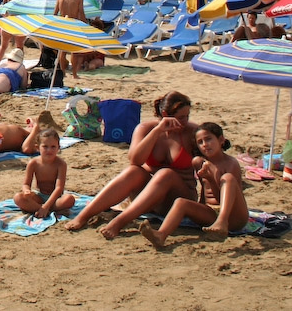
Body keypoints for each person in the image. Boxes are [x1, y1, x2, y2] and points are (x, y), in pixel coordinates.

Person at [64, 91, 199, 236]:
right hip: (147, 197)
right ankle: (83, 216)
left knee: (166, 174)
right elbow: (135, 160)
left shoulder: (192, 132)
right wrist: (157, 131)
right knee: (133, 171)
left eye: (187, 116)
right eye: (181, 117)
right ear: (165, 114)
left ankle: (119, 222)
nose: (185, 121)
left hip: (177, 198)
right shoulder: (146, 129)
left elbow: (210, 161)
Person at [139, 122, 249, 248]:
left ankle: (222, 222)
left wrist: (211, 179)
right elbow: (204, 191)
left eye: (208, 139)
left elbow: (225, 198)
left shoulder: (230, 163)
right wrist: (198, 208)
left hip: (233, 216)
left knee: (227, 178)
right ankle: (160, 235)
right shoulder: (199, 162)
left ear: (221, 140)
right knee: (181, 202)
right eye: (200, 142)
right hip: (212, 213)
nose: (205, 145)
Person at [13, 128, 76, 218]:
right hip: (39, 196)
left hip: (55, 198)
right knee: (18, 198)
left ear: (58, 148)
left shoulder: (61, 164)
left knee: (69, 199)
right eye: (45, 147)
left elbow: (59, 188)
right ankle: (43, 210)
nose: (49, 150)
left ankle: (43, 209)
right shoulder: (33, 163)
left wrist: (46, 205)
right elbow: (26, 184)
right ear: (37, 148)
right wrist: (26, 191)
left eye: (53, 147)